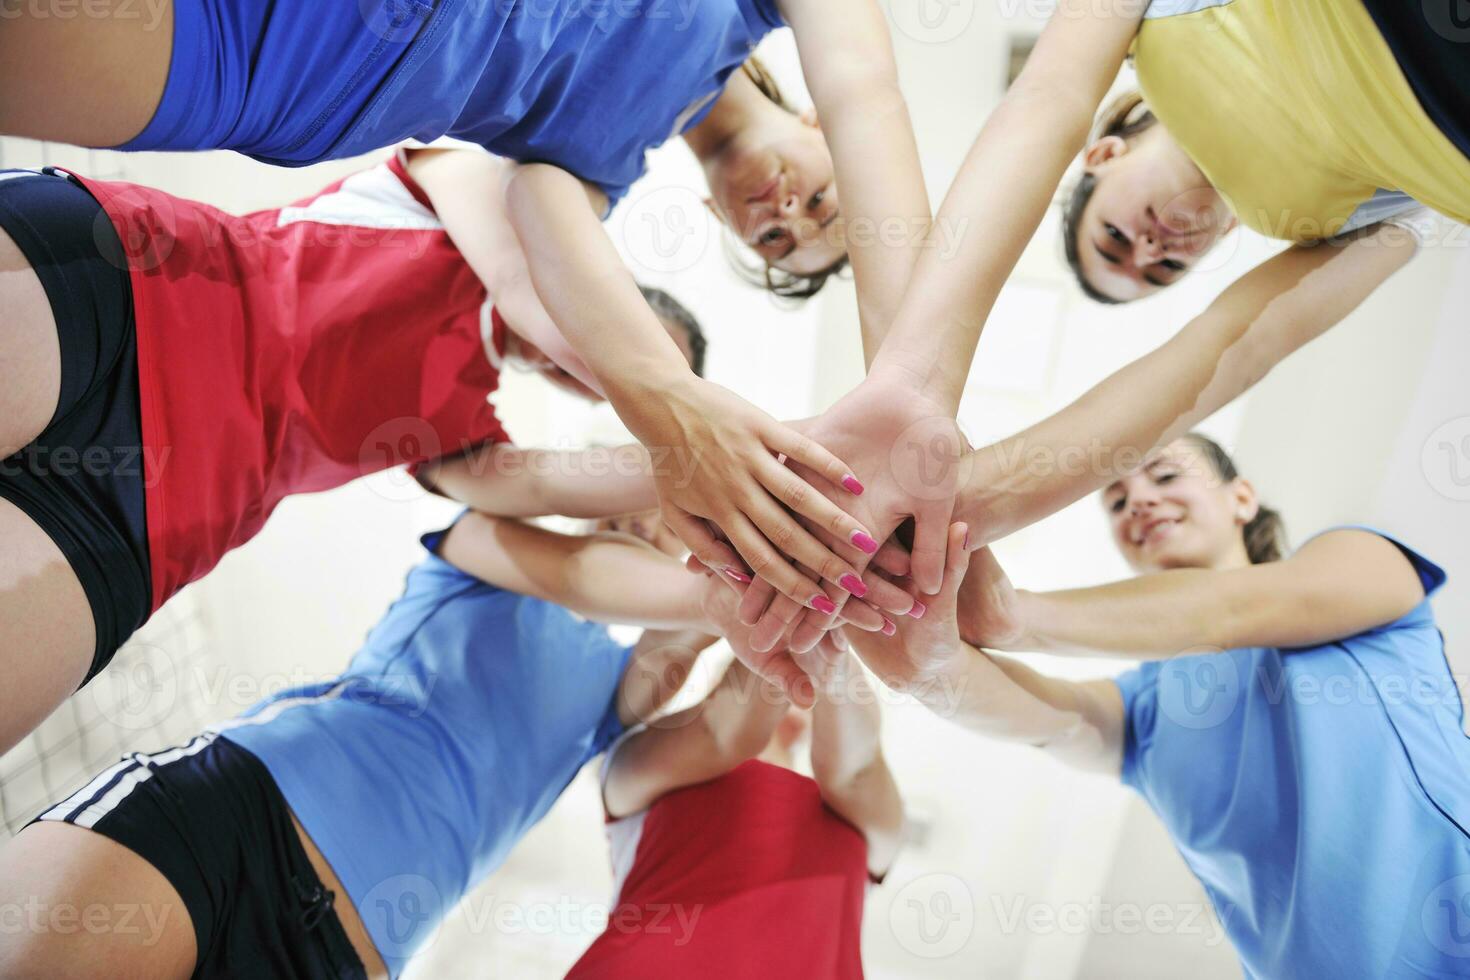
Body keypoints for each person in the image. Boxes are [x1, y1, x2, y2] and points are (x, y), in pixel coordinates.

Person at [0, 0, 953, 603]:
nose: (784, 212)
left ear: (725, 226)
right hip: (278, 55)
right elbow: (870, 89)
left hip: (287, 92)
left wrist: (779, 477)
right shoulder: (759, 23)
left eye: (779, 241)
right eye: (825, 200)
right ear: (815, 127)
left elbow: (545, 257)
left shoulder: (598, 164)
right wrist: (905, 389)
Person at [0, 151, 718, 756]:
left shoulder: (463, 424)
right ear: (611, 292)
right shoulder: (453, 193)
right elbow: (516, 270)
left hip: (153, 523)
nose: (610, 377)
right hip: (128, 290)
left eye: (623, 397)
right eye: (632, 352)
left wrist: (708, 469)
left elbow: (544, 487)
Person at [0, 492, 788, 979]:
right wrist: (729, 592)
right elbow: (579, 572)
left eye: (676, 506)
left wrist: (789, 594)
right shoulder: (486, 544)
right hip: (242, 818)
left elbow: (709, 705)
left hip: (345, 959)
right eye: (647, 480)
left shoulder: (613, 694)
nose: (646, 508)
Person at [855, 434, 1470, 978]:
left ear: (1242, 498)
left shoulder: (1358, 560)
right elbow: (1035, 717)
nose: (1140, 502)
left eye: (1167, 476)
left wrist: (1013, 616)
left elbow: (1237, 609)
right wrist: (917, 641)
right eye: (1117, 502)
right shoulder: (1143, 713)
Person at [566, 583, 903, 978]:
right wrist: (793, 602)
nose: (793, 689)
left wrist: (830, 654)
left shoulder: (862, 821)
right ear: (715, 690)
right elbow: (720, 733)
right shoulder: (631, 768)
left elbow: (855, 769)